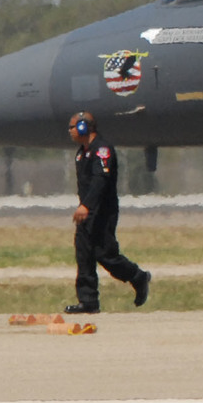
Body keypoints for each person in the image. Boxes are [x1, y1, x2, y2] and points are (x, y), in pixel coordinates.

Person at [65, 111, 150, 314]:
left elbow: (100, 181)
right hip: (87, 212)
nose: (70, 131)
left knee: (106, 255)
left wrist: (87, 205)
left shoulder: (102, 150)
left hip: (102, 211)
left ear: (85, 127)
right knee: (84, 254)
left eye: (73, 127)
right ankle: (88, 301)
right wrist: (84, 207)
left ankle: (138, 276)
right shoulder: (81, 153)